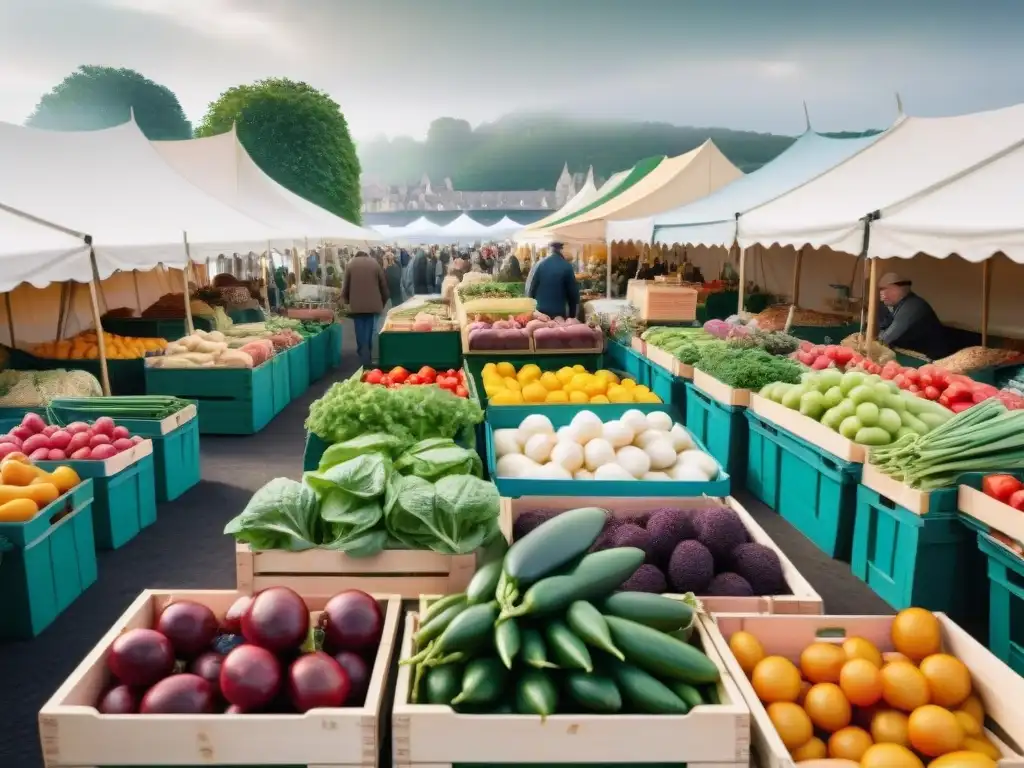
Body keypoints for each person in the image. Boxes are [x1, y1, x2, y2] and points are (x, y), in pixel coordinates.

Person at [876, 272, 949, 359]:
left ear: (900, 289)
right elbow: (883, 326)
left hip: (930, 357)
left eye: (886, 289)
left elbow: (885, 339)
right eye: (880, 289)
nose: (882, 293)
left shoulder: (912, 305)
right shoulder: (895, 304)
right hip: (913, 352)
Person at [342, 250, 389, 368]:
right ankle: (370, 353)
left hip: (356, 306)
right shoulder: (374, 264)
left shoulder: (350, 264)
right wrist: (383, 301)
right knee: (371, 330)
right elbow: (383, 285)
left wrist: (347, 301)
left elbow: (345, 286)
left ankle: (362, 354)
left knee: (360, 330)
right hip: (373, 305)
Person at [527, 241, 580, 320]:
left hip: (539, 313)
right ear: (561, 250)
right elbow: (573, 295)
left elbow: (530, 290)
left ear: (549, 249)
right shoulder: (566, 266)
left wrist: (531, 311)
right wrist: (572, 316)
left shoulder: (538, 264)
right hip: (558, 314)